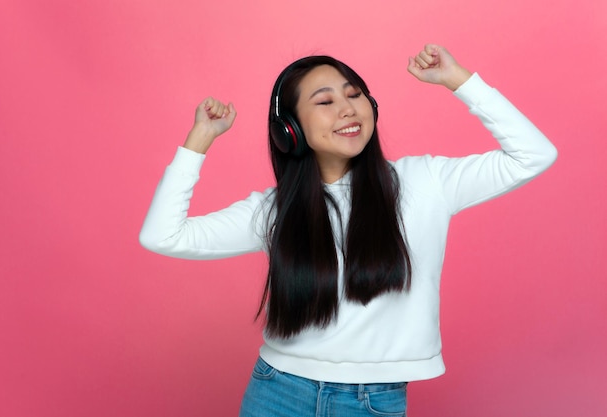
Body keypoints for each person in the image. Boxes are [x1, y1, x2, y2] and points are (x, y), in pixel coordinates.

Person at [139, 44, 557, 417]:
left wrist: (457, 80)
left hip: (372, 402)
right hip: (276, 392)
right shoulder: (274, 210)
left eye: (355, 95)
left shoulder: (426, 182)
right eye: (326, 101)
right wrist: (199, 140)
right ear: (291, 131)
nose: (347, 108)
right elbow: (163, 235)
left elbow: (534, 155)